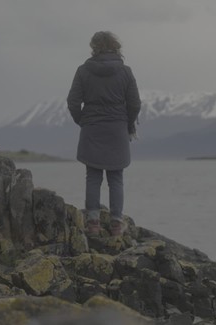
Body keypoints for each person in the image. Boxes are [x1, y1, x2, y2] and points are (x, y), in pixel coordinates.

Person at [66, 31, 141, 237]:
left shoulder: (83, 71)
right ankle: (117, 224)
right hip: (118, 129)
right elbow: (135, 103)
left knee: (93, 176)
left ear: (94, 47)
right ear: (116, 47)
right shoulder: (125, 72)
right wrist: (128, 124)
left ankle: (93, 224)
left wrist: (82, 120)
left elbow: (72, 101)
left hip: (92, 128)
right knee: (116, 177)